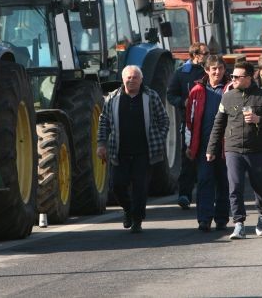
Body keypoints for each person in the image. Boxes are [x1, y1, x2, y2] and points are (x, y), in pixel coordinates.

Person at [206, 61, 262, 240]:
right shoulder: (227, 97)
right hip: (233, 148)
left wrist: (258, 119)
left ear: (248, 77)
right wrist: (211, 148)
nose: (233, 79)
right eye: (232, 76)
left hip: (257, 149)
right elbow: (218, 124)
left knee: (260, 186)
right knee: (235, 186)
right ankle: (239, 224)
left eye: (237, 77)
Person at [97, 65, 169, 233]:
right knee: (116, 185)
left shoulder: (151, 96)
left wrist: (160, 138)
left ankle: (137, 220)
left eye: (135, 77)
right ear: (123, 79)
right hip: (119, 151)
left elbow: (164, 120)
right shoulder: (112, 98)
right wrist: (101, 143)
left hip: (144, 152)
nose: (131, 80)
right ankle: (128, 210)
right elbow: (103, 121)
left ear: (141, 80)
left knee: (140, 187)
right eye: (128, 77)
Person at [185, 55, 230, 232]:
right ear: (206, 70)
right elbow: (189, 120)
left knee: (224, 182)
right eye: (213, 69)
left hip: (226, 145)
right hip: (203, 145)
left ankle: (221, 218)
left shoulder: (230, 89)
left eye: (220, 68)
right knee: (204, 181)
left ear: (225, 70)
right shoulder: (196, 91)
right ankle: (204, 219)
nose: (217, 72)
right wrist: (189, 144)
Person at [167, 42, 209, 209]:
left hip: (208, 121)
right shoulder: (181, 74)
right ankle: (184, 194)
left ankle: (207, 194)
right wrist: (183, 102)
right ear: (195, 55)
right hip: (189, 123)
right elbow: (171, 95)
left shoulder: (211, 71)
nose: (207, 55)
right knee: (188, 158)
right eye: (205, 53)